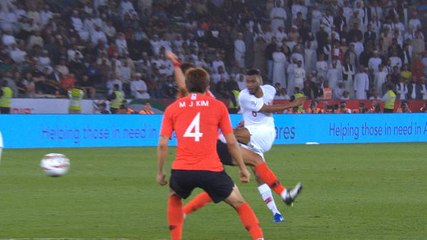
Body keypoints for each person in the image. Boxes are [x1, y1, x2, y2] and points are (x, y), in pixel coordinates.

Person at [166, 51, 302, 223]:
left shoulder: (204, 94)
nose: (195, 76)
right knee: (256, 161)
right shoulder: (188, 96)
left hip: (211, 145)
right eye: (191, 74)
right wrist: (175, 64)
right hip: (211, 145)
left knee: (224, 189)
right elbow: (182, 87)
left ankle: (184, 212)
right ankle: (284, 194)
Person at [157, 67, 264, 240]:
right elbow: (231, 142)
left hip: (183, 170)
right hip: (211, 170)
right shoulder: (218, 106)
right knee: (239, 203)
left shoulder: (173, 108)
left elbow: (162, 144)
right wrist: (243, 168)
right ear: (207, 85)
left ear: (187, 85)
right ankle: (259, 238)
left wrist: (160, 172)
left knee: (175, 196)